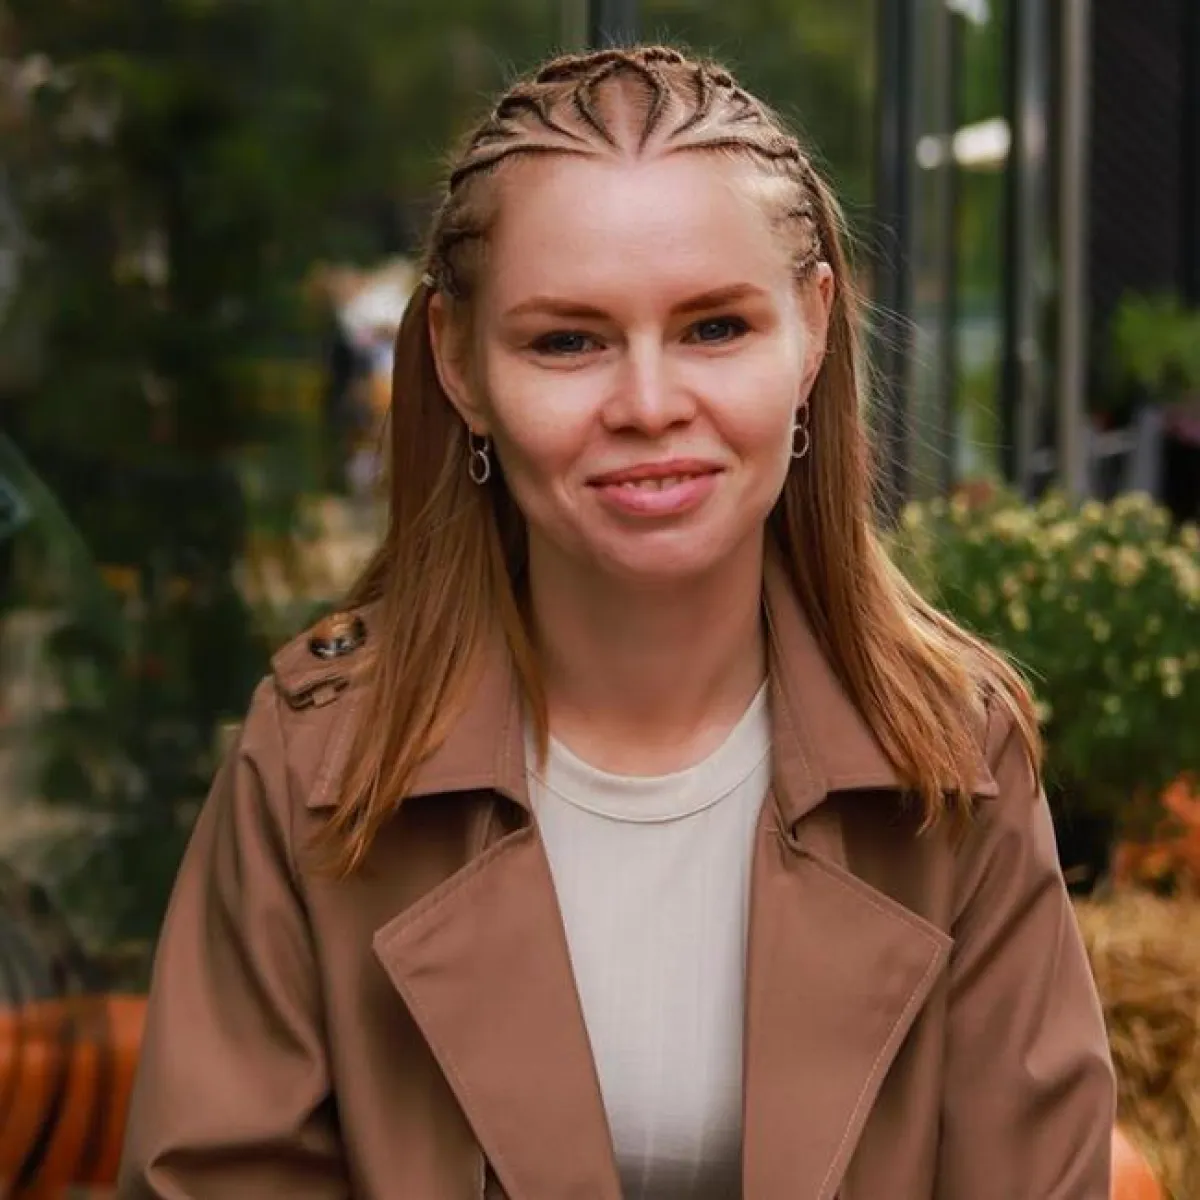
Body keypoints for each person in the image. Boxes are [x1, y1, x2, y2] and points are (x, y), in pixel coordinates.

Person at [117, 45, 1115, 1199]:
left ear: (812, 330)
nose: (648, 405)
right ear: (458, 362)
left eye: (715, 328)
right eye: (568, 341)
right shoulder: (314, 765)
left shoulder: (953, 760)